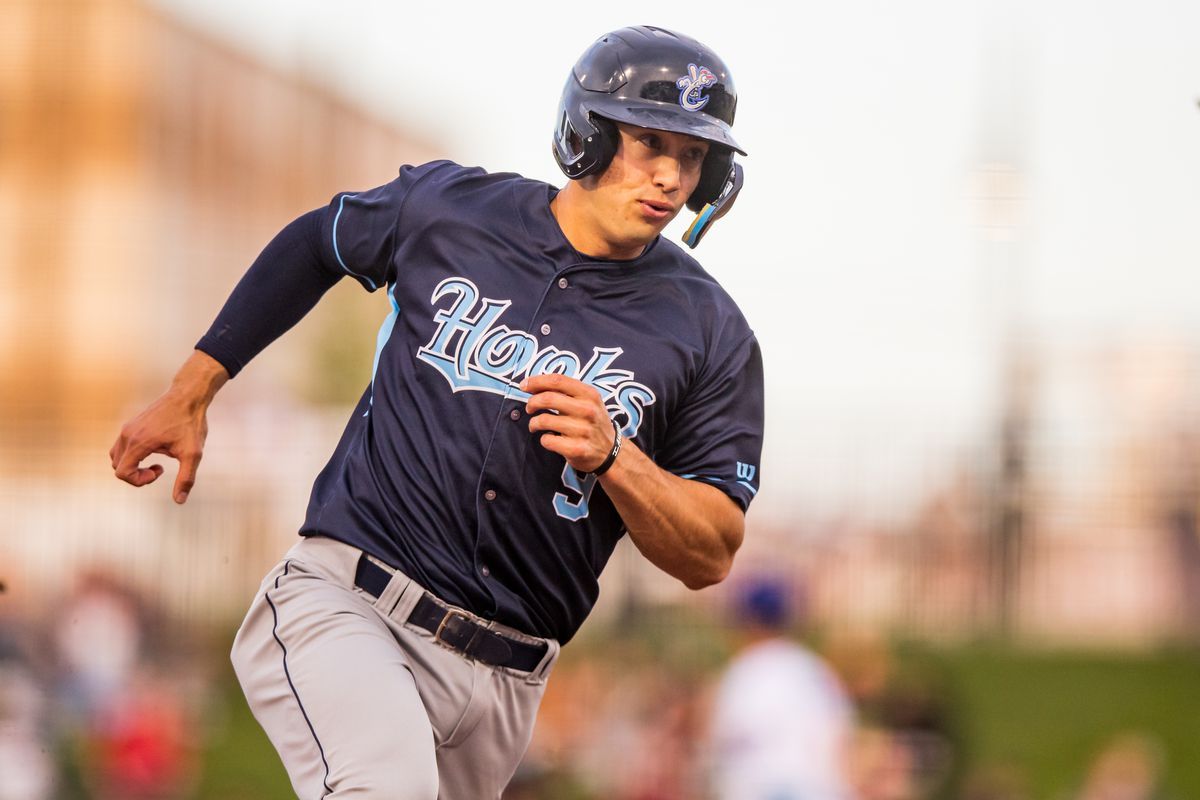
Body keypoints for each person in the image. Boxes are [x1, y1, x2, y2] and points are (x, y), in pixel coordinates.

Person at [110, 25, 763, 799]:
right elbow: (320, 242)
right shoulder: (453, 211)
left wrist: (616, 457)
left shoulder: (710, 330)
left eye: (692, 155)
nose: (669, 175)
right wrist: (192, 392)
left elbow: (712, 550)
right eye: (649, 141)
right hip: (352, 605)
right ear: (585, 134)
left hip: (505, 684)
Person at [706, 576, 855, 800]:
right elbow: (842, 737)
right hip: (820, 789)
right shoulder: (814, 668)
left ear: (749, 621)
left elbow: (723, 737)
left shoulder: (746, 671)